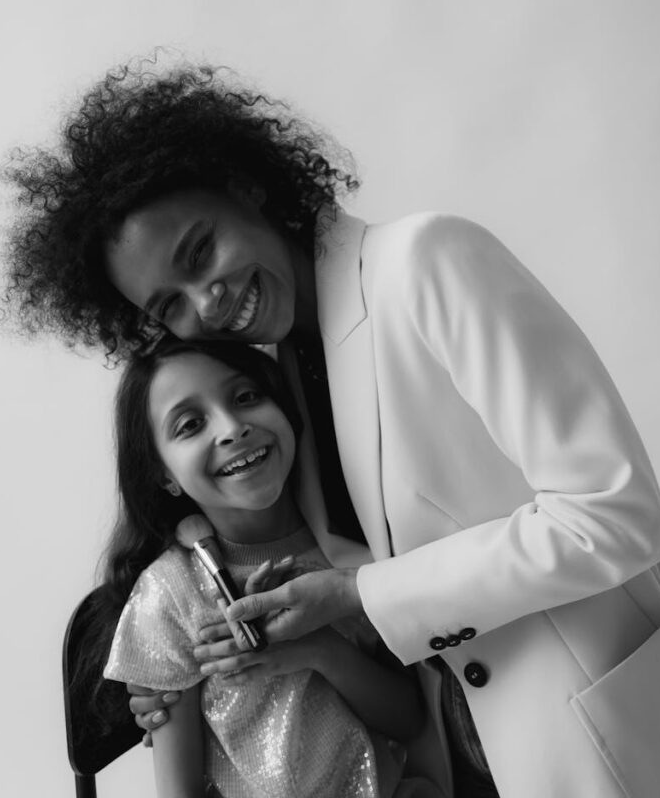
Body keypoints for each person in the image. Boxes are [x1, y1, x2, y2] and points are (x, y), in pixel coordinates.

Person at [0, 60, 660, 798]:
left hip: (587, 728)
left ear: (243, 186)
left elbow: (616, 515)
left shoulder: (424, 262)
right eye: (171, 304)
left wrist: (360, 594)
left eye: (199, 252)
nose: (209, 300)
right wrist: (180, 688)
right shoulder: (285, 375)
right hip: (458, 761)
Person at [99, 335, 434, 798]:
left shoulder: (350, 542)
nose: (232, 427)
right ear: (163, 475)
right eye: (191, 423)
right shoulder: (170, 593)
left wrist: (320, 650)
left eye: (246, 397)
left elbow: (410, 719)